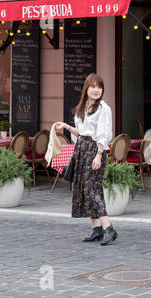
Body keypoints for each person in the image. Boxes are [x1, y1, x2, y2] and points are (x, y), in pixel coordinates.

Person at [55, 73, 117, 246]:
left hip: (94, 150)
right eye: (93, 87)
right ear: (87, 88)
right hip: (81, 149)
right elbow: (81, 133)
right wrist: (66, 127)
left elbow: (104, 135)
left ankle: (108, 228)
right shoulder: (82, 108)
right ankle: (96, 229)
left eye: (99, 87)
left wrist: (98, 155)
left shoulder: (103, 108)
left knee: (92, 190)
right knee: (83, 189)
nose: (96, 90)